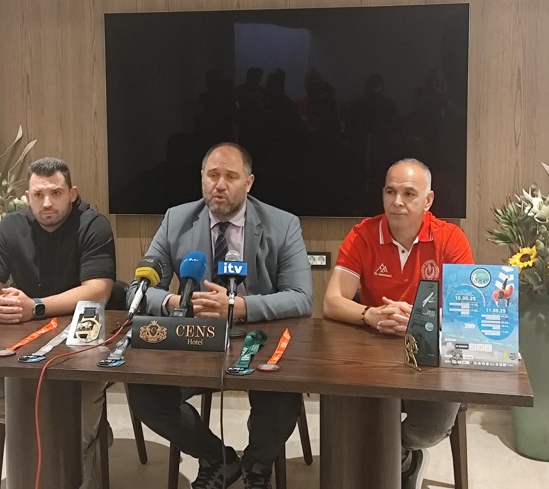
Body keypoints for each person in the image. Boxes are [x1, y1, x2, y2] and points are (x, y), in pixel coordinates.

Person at [127, 142, 313, 489]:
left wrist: (240, 307)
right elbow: (139, 290)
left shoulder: (282, 224)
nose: (220, 185)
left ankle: (257, 466)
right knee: (145, 393)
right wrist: (176, 302)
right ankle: (217, 458)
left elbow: (301, 298)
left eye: (231, 176)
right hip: (195, 340)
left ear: (249, 182)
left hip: (260, 342)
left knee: (282, 397)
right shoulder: (176, 220)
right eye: (213, 175)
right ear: (202, 178)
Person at [0, 157, 116, 489]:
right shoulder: (11, 226)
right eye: (38, 195)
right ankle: (59, 431)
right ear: (27, 197)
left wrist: (35, 307)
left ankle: (78, 464)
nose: (47, 202)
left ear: (72, 193)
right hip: (28, 345)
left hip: (83, 344)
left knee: (78, 419)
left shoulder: (93, 225)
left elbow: (98, 290)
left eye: (56, 193)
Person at [322, 158, 473, 489]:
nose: (397, 202)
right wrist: (369, 314)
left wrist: (419, 321)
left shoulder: (451, 238)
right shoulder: (363, 234)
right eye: (390, 192)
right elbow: (332, 301)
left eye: (408, 193)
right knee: (345, 414)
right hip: (374, 351)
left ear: (428, 200)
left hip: (432, 356)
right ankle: (394, 461)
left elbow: (466, 314)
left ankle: (399, 453)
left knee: (430, 429)